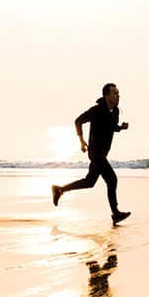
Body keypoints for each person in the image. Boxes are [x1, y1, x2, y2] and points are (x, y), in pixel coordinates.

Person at [52, 83, 131, 225]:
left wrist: (121, 128)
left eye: (118, 93)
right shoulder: (96, 110)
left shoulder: (116, 111)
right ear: (106, 95)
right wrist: (81, 141)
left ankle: (60, 189)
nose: (118, 96)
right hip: (95, 152)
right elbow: (78, 121)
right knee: (112, 180)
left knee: (89, 182)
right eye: (115, 93)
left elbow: (112, 127)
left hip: (103, 153)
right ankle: (115, 213)